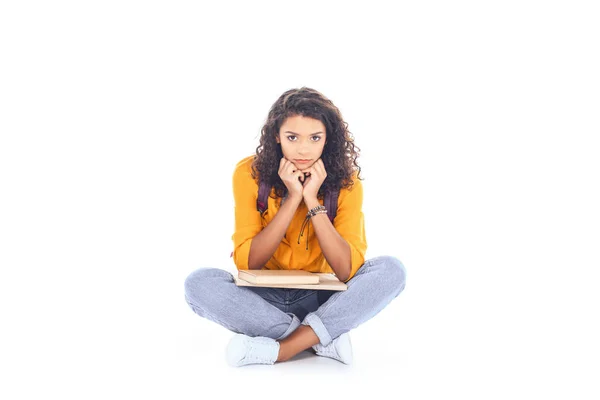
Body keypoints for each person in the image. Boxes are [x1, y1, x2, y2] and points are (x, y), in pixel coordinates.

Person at [184, 87, 406, 367]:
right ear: (276, 136)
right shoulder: (248, 174)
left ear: (328, 139)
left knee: (391, 269)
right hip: (263, 301)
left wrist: (312, 198)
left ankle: (282, 349)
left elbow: (347, 269)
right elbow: (248, 262)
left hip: (323, 299)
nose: (303, 149)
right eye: (292, 137)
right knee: (198, 284)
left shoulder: (347, 183)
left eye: (315, 138)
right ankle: (319, 338)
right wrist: (292, 199)